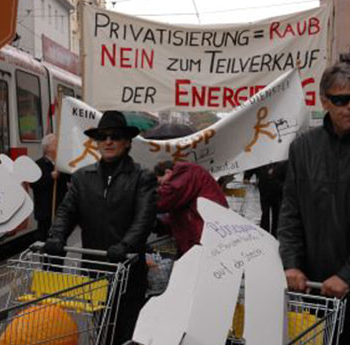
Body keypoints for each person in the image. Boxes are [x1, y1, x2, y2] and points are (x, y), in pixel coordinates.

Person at [277, 63, 350, 345]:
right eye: (342, 100)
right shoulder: (303, 148)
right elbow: (290, 213)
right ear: (324, 102)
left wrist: (349, 275)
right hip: (317, 295)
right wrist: (292, 264)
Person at [45, 110, 157, 345]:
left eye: (115, 136)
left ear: (126, 142)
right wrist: (57, 236)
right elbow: (67, 211)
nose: (108, 141)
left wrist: (125, 246)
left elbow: (143, 219)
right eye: (103, 137)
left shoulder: (142, 177)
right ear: (96, 143)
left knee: (125, 334)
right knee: (101, 329)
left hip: (128, 272)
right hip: (94, 269)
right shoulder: (81, 178)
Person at [154, 161, 228, 257]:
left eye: (160, 183)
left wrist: (139, 200)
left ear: (168, 173)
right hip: (199, 238)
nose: (161, 187)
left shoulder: (186, 172)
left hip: (204, 238)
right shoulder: (184, 188)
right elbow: (179, 216)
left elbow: (162, 198)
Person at [30, 133, 70, 241]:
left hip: (60, 210)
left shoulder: (60, 164)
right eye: (55, 144)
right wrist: (50, 177)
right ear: (47, 148)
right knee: (45, 239)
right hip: (45, 212)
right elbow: (33, 183)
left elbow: (70, 178)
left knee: (60, 239)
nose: (58, 146)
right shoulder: (38, 164)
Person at [243, 161, 287, 237]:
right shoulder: (261, 160)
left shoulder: (281, 161)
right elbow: (253, 165)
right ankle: (265, 234)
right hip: (264, 189)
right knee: (265, 212)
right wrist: (247, 177)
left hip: (278, 190)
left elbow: (287, 174)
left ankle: (275, 235)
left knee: (276, 213)